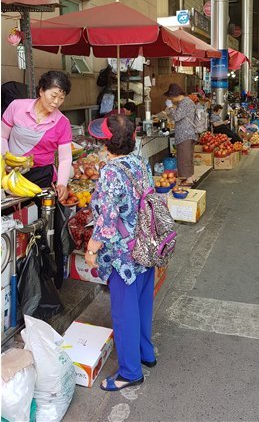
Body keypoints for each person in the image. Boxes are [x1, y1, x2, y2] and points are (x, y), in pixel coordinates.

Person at [85, 114, 156, 391]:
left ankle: (130, 372)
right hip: (144, 247)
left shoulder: (110, 172)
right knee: (142, 305)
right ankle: (145, 354)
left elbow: (106, 220)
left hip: (123, 258)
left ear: (106, 143)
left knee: (124, 314)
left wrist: (91, 250)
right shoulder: (139, 162)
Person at [1, 70, 72, 202]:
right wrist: (5, 161)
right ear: (41, 91)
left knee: (40, 216)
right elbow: (2, 136)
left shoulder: (63, 123)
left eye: (61, 98)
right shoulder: (16, 106)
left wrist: (62, 183)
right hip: (11, 171)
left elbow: (65, 158)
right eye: (53, 95)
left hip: (42, 174)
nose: (56, 102)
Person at [164, 83, 197, 185]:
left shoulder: (185, 103)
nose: (171, 100)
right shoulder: (186, 102)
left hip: (185, 134)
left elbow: (176, 117)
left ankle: (188, 179)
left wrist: (170, 107)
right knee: (187, 157)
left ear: (175, 95)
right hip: (188, 133)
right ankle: (190, 177)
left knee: (184, 157)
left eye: (171, 97)